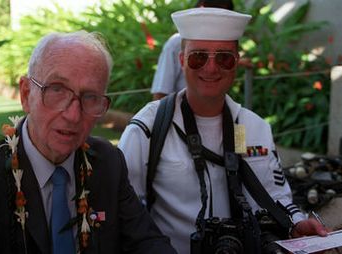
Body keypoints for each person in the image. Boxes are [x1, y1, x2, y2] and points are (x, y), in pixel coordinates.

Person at [119, 7, 328, 254]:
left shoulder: (251, 128)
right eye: (198, 57)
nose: (210, 68)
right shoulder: (148, 129)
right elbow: (127, 212)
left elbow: (274, 194)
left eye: (224, 58)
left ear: (236, 63)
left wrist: (296, 224)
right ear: (181, 60)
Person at [0, 31, 177, 254]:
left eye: (90, 96)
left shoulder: (108, 163)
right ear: (25, 94)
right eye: (57, 90)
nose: (73, 115)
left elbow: (147, 242)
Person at [151, 0, 234, 100]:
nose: (211, 69)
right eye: (198, 55)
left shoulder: (228, 42)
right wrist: (165, 113)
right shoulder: (177, 43)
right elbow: (161, 90)